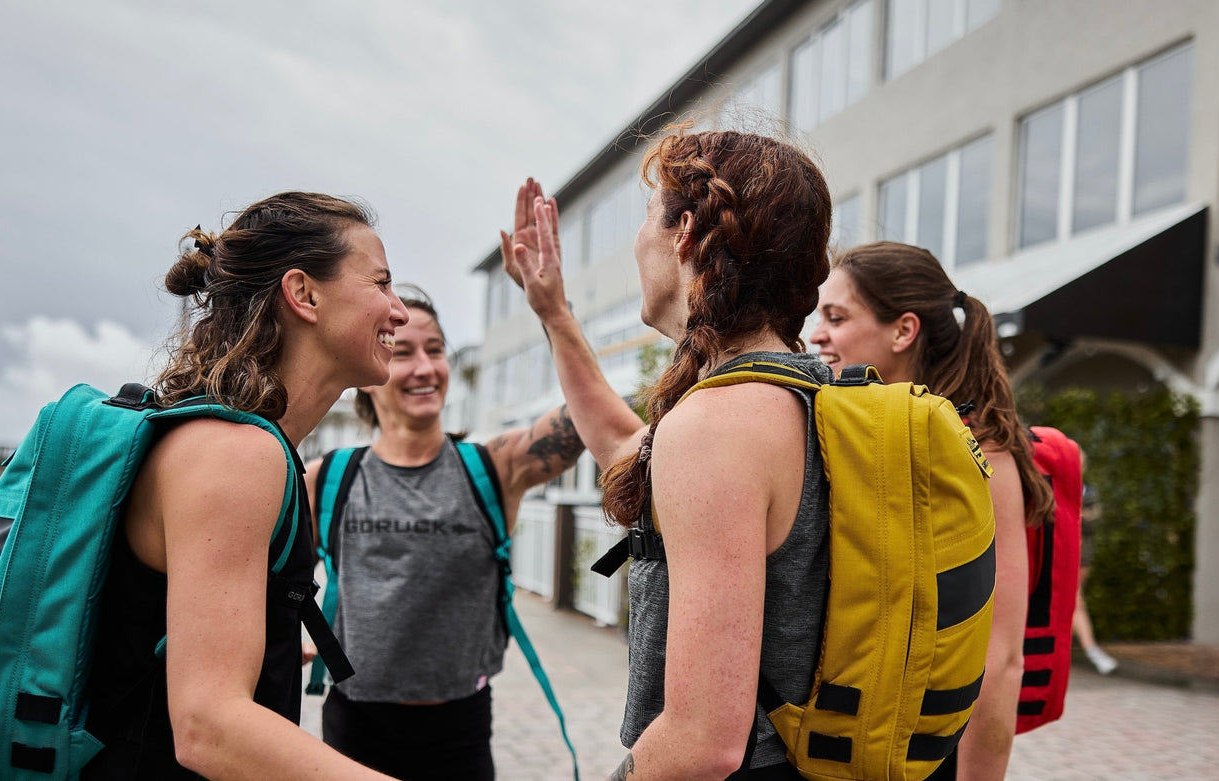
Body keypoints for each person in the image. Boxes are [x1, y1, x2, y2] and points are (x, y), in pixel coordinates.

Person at [505, 128, 834, 779]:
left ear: (684, 231)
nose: (637, 243)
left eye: (646, 218)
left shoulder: (717, 425)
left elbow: (704, 739)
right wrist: (554, 313)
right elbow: (626, 446)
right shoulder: (805, 390)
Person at [82, 192, 409, 780]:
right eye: (382, 283)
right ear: (304, 294)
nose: (400, 311)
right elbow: (209, 725)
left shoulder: (225, 436)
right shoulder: (237, 453)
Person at [306, 277, 639, 779]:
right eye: (402, 352)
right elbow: (259, 582)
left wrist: (553, 312)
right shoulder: (327, 479)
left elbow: (595, 417)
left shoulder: (494, 468)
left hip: (460, 733)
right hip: (352, 728)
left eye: (436, 350)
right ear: (370, 368)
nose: (424, 368)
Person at [808, 241, 1055, 781]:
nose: (816, 334)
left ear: (903, 331)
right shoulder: (852, 437)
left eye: (837, 316)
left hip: (924, 759)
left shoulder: (979, 453)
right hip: (843, 744)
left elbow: (1001, 657)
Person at [1074, 475, 1118, 674]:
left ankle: (1089, 650)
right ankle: (1091, 649)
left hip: (1081, 555)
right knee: (1075, 603)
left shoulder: (1087, 491)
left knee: (1074, 602)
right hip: (1064, 552)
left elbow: (1094, 519)